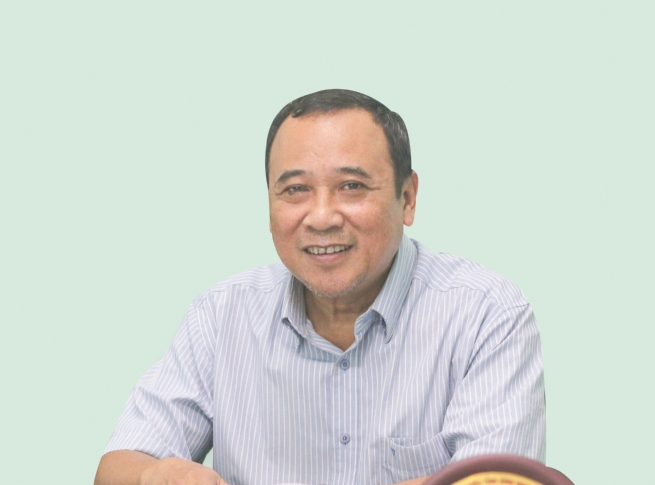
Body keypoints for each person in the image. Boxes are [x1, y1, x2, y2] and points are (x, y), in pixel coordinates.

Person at [95, 89, 546, 485]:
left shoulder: (486, 313)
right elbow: (118, 466)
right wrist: (156, 474)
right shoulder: (221, 315)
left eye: (351, 186)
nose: (322, 217)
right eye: (295, 190)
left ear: (407, 198)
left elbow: (499, 484)